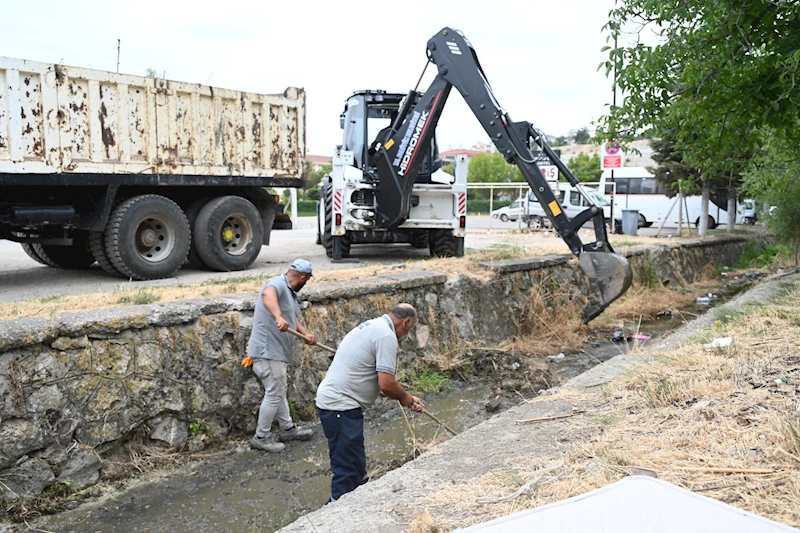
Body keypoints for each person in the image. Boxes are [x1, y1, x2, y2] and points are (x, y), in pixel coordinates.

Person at [315, 303, 424, 501]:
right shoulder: (386, 336)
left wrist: (405, 397)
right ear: (405, 322)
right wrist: (406, 399)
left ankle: (356, 506)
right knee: (347, 471)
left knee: (356, 467)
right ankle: (337, 512)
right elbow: (387, 384)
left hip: (340, 404)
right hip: (340, 405)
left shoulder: (373, 325)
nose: (407, 334)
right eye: (409, 329)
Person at [249, 259, 318, 453]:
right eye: (307, 280)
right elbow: (267, 294)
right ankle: (261, 437)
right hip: (267, 352)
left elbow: (292, 319)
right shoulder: (277, 284)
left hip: (276, 352)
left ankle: (287, 429)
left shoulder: (289, 293)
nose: (306, 283)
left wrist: (305, 334)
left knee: (278, 390)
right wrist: (278, 316)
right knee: (274, 392)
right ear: (303, 278)